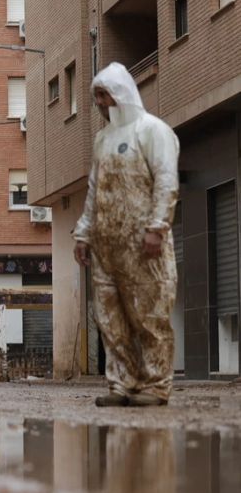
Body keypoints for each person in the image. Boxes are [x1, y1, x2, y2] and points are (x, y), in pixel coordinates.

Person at [73, 62, 179, 408]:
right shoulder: (102, 140)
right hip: (106, 247)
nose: (100, 102)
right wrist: (83, 234)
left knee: (149, 316)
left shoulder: (153, 131)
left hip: (144, 246)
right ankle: (121, 384)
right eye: (97, 96)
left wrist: (156, 228)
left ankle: (155, 385)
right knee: (110, 320)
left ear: (121, 94)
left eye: (104, 94)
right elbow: (94, 191)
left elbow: (166, 182)